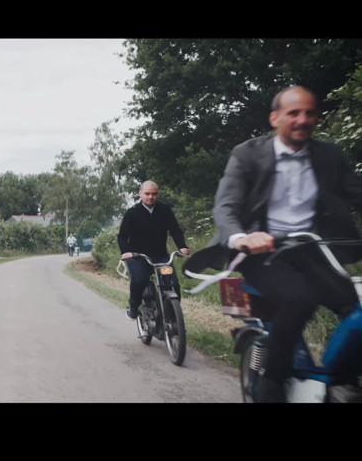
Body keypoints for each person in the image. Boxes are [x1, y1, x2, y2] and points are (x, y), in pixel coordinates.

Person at [184, 85, 362, 403]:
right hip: (262, 252)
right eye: (294, 113)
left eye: (309, 113)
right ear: (274, 118)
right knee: (300, 298)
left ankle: (343, 381)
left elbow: (357, 193)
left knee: (355, 309)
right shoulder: (248, 154)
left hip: (312, 248)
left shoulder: (329, 154)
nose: (302, 119)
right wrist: (242, 237)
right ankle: (271, 385)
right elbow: (226, 205)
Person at [117, 180, 190, 320]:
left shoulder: (165, 210)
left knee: (173, 283)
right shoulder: (132, 213)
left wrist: (182, 246)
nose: (151, 197)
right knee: (139, 281)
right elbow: (122, 236)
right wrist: (125, 252)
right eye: (147, 194)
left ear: (158, 194)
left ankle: (173, 318)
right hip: (138, 257)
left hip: (161, 256)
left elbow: (175, 230)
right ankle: (133, 307)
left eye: (154, 194)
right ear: (140, 194)